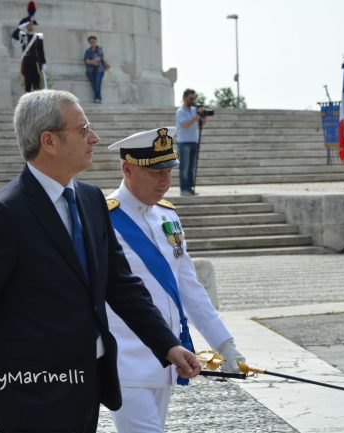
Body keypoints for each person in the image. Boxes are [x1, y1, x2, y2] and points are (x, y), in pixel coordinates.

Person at [0, 90, 200, 433]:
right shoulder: (2, 213)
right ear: (49, 141)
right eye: (83, 129)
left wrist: (167, 345)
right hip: (29, 395)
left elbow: (120, 285)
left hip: (87, 385)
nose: (94, 138)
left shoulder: (91, 200)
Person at [105, 127, 245, 432]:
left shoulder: (167, 216)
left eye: (169, 171)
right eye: (156, 172)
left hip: (166, 359)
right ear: (127, 169)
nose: (166, 181)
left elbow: (190, 289)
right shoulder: (103, 218)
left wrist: (225, 345)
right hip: (125, 362)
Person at [176, 89, 207, 195]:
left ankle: (190, 188)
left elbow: (201, 124)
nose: (192, 100)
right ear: (185, 98)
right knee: (184, 167)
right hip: (184, 142)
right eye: (191, 98)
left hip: (194, 141)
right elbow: (186, 125)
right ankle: (184, 189)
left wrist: (203, 116)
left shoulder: (194, 110)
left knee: (191, 168)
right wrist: (197, 115)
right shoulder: (180, 111)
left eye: (194, 98)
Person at [12, 13, 46, 93]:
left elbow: (41, 51)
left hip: (35, 62)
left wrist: (44, 63)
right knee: (28, 85)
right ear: (26, 26)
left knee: (36, 84)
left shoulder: (38, 37)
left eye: (31, 24)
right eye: (28, 25)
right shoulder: (23, 36)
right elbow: (14, 35)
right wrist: (20, 27)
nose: (30, 26)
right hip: (27, 62)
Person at [83, 35, 105, 103]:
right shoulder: (88, 51)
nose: (93, 43)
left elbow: (99, 58)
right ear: (89, 43)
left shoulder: (100, 49)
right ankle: (98, 98)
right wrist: (93, 62)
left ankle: (97, 98)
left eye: (94, 41)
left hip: (99, 69)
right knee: (94, 84)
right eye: (91, 42)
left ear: (96, 41)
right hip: (90, 70)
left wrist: (91, 61)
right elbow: (86, 60)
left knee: (97, 83)